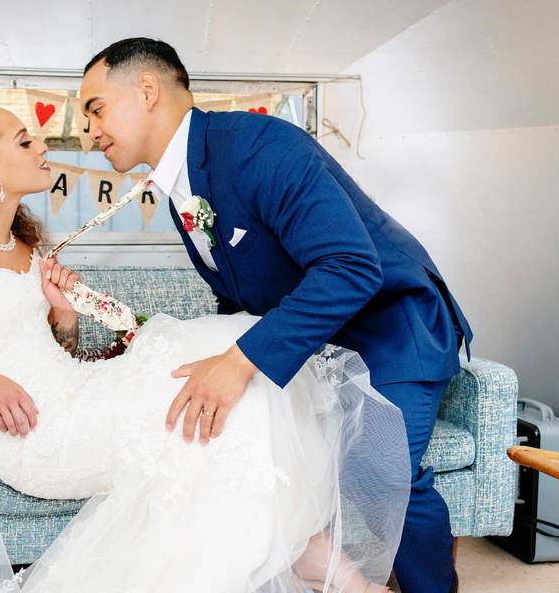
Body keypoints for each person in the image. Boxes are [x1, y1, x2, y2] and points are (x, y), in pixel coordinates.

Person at [0, 103, 409, 593]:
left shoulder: (26, 245)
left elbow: (55, 350)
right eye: (23, 141)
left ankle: (327, 568)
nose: (44, 146)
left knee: (229, 366)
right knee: (213, 388)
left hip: (74, 394)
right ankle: (327, 570)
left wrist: (63, 314)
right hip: (36, 434)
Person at [79, 37, 475, 593]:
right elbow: (242, 294)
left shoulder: (260, 146)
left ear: (147, 90)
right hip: (321, 341)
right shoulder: (180, 188)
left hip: (394, 325)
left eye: (95, 109)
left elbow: (350, 267)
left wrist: (240, 361)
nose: (89, 131)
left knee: (385, 475)